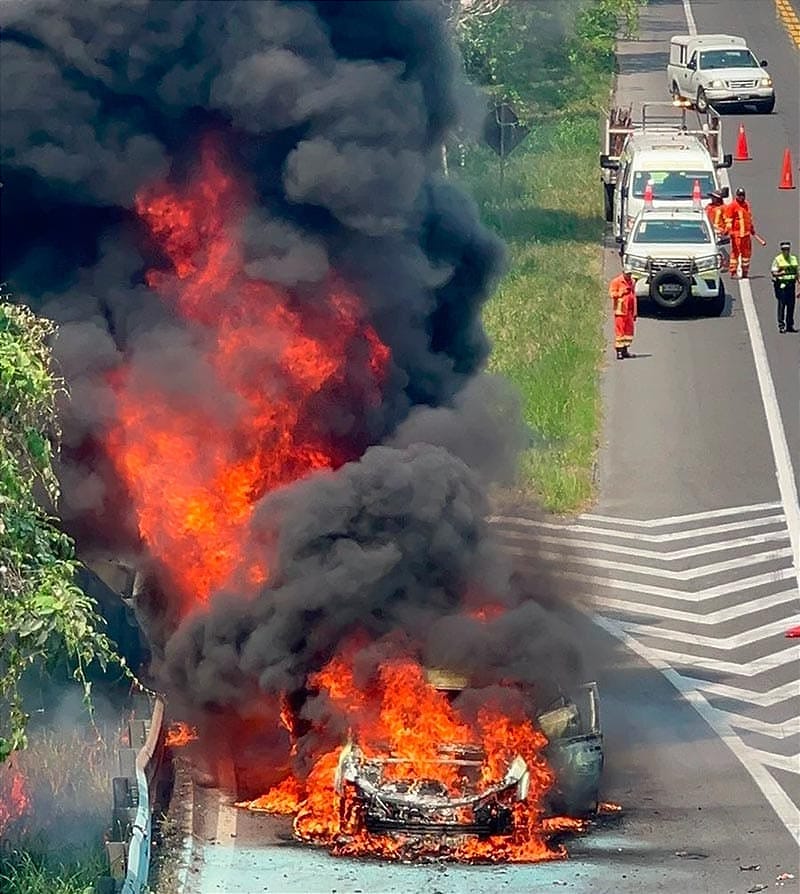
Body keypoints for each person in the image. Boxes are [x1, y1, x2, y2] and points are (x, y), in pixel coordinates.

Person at [723, 187, 756, 278]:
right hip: (736, 234)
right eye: (739, 195)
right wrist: (728, 230)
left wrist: (751, 228)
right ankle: (733, 271)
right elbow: (728, 220)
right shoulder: (732, 206)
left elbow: (748, 218)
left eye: (742, 195)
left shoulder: (746, 205)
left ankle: (745, 271)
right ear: (737, 196)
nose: (741, 197)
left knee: (746, 255)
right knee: (735, 253)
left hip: (746, 234)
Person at [609, 263, 637, 359]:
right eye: (627, 274)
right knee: (620, 331)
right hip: (620, 310)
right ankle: (619, 351)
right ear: (623, 273)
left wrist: (635, 311)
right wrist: (621, 293)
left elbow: (633, 297)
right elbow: (612, 294)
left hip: (629, 310)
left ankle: (625, 350)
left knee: (628, 332)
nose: (629, 276)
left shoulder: (632, 282)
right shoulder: (616, 281)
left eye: (630, 274)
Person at [770, 240, 798, 333]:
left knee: (791, 306)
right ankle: (781, 325)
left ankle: (790, 325)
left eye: (787, 249)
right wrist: (779, 273)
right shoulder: (778, 259)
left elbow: (797, 273)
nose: (786, 251)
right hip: (781, 286)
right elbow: (773, 272)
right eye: (784, 249)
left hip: (791, 284)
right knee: (782, 305)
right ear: (782, 250)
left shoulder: (793, 259)